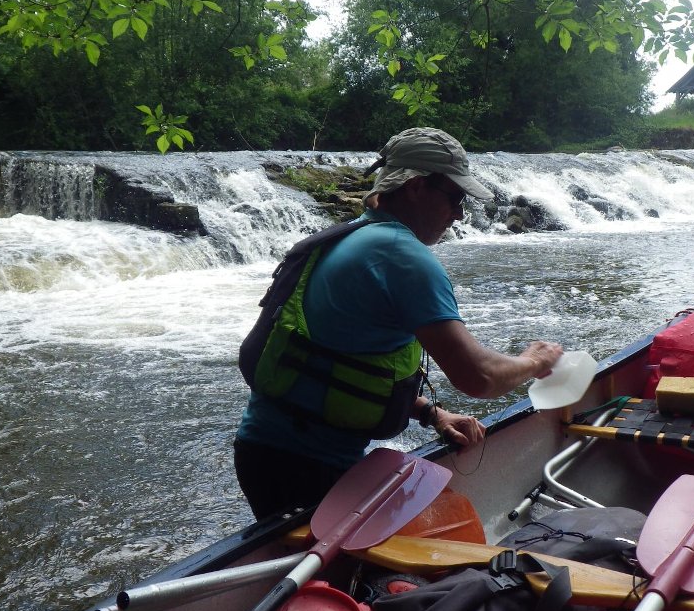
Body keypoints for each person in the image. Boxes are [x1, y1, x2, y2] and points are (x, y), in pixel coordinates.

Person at [234, 127, 563, 519]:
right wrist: (535, 361)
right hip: (304, 465)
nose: (459, 214)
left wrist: (430, 413)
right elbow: (479, 377)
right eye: (455, 197)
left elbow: (348, 360)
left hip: (269, 452)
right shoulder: (401, 256)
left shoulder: (357, 235)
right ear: (416, 187)